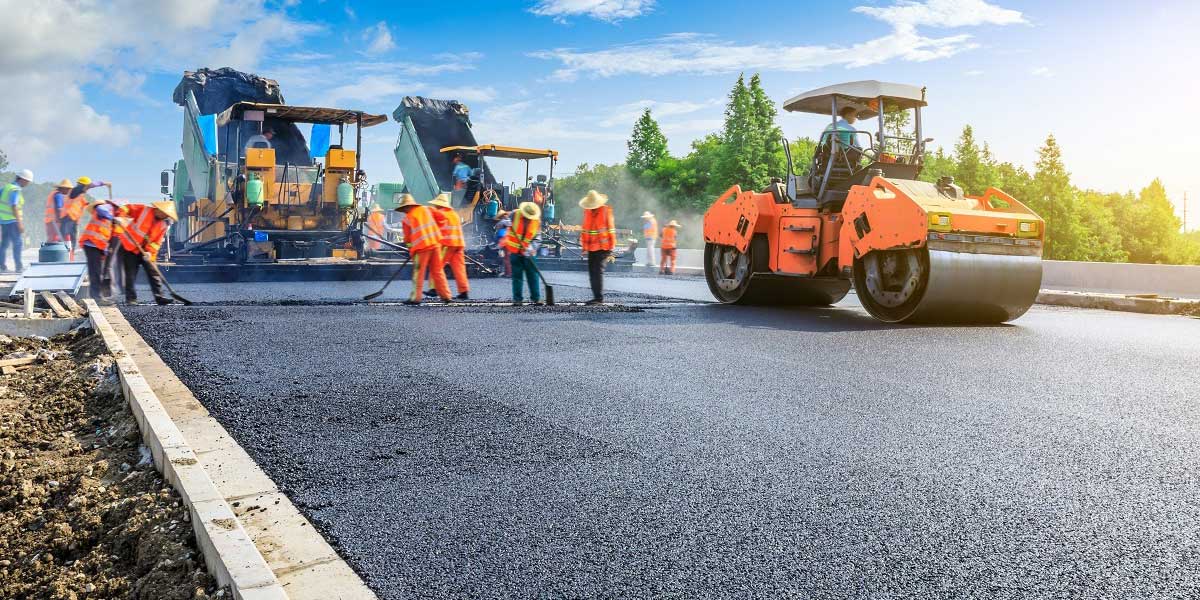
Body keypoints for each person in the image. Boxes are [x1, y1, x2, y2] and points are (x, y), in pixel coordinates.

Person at [116, 201, 177, 305]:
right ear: (159, 210)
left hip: (146, 251)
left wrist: (149, 252)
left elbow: (157, 242)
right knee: (130, 274)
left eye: (167, 215)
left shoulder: (163, 224)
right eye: (165, 213)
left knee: (153, 273)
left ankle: (160, 297)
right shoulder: (143, 210)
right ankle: (131, 299)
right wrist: (120, 217)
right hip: (130, 247)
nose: (165, 216)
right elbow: (126, 208)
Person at [394, 194, 451, 305]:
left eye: (404, 209)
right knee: (438, 272)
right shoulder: (427, 209)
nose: (404, 211)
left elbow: (408, 239)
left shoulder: (407, 219)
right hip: (435, 244)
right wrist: (438, 232)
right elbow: (443, 218)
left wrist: (411, 251)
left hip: (422, 248)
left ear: (406, 207)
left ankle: (416, 298)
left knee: (418, 273)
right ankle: (446, 296)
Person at [428, 192, 469, 300]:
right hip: (459, 244)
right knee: (459, 268)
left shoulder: (440, 214)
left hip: (447, 244)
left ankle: (434, 288)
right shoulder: (454, 214)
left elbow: (434, 229)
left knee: (436, 266)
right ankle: (464, 291)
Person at [578, 189, 614, 305]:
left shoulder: (605, 211)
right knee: (591, 273)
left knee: (597, 272)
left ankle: (599, 298)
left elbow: (611, 229)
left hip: (603, 247)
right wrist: (584, 247)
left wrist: (611, 247)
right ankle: (596, 297)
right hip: (592, 248)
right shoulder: (587, 212)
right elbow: (585, 230)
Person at [502, 201, 542, 306]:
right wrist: (504, 223)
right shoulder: (514, 214)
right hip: (515, 252)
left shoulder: (536, 221)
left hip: (529, 254)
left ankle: (536, 298)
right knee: (517, 277)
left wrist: (531, 247)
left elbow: (538, 238)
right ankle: (517, 299)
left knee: (533, 276)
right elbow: (499, 225)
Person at [79, 198, 116, 302]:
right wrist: (112, 217)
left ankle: (96, 295)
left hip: (95, 246)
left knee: (96, 271)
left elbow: (104, 236)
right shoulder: (101, 210)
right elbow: (101, 209)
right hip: (91, 244)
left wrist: (104, 251)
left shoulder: (106, 219)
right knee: (95, 272)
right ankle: (97, 297)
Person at [0, 169, 33, 273]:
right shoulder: (15, 190)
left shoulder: (6, 188)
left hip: (4, 221)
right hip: (13, 221)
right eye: (27, 181)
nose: (27, 184)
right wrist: (20, 223)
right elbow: (14, 206)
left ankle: (2, 266)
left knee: (4, 244)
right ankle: (18, 267)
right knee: (17, 244)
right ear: (22, 179)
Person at [494, 211, 512, 277]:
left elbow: (497, 228)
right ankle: (507, 272)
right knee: (507, 258)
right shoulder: (510, 222)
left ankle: (508, 273)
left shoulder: (502, 222)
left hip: (505, 242)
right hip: (510, 242)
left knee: (506, 259)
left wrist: (498, 245)